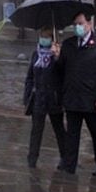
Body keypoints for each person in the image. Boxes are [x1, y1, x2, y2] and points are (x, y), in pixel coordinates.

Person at [51, 10, 96, 177]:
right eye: (75, 24)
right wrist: (56, 57)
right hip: (72, 97)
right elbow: (61, 71)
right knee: (72, 134)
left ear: (89, 24)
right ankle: (69, 165)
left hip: (92, 100)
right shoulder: (68, 44)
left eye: (80, 24)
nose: (77, 27)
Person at [23, 26, 68, 169]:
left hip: (54, 98)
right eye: (42, 36)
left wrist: (57, 58)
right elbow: (30, 77)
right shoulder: (35, 54)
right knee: (36, 130)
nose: (43, 39)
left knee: (59, 129)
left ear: (52, 39)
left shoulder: (58, 54)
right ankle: (32, 159)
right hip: (38, 97)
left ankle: (65, 157)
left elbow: (63, 73)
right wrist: (27, 96)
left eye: (47, 37)